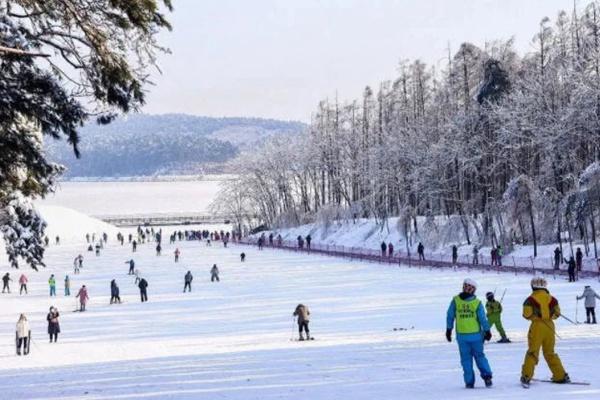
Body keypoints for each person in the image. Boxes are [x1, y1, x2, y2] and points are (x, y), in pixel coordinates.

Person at [520, 277, 570, 386]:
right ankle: (560, 375)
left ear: (533, 286)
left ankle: (526, 376)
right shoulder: (552, 299)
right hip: (550, 326)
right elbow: (557, 313)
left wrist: (535, 317)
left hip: (537, 326)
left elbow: (526, 314)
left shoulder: (530, 299)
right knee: (550, 352)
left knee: (533, 351)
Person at [446, 278, 493, 388]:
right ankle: (487, 376)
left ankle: (469, 382)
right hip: (476, 336)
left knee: (466, 359)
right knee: (480, 356)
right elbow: (483, 319)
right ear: (473, 290)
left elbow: (450, 315)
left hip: (462, 336)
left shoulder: (456, 301)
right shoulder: (477, 303)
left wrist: (449, 329)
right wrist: (487, 331)